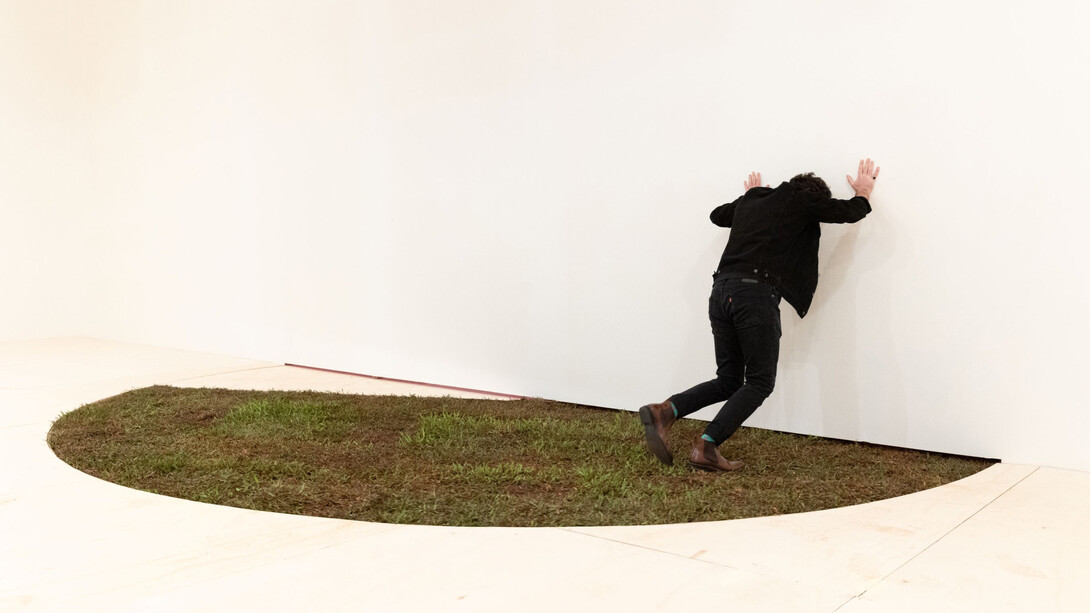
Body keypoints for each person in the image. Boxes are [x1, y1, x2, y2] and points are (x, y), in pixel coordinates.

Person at [639, 158, 880, 472]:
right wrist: (863, 193)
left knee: (728, 380)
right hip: (754, 295)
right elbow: (847, 213)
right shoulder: (802, 198)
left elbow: (718, 215)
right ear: (813, 196)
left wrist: (751, 198)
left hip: (720, 291)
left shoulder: (757, 201)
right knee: (760, 381)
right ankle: (707, 446)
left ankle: (665, 412)